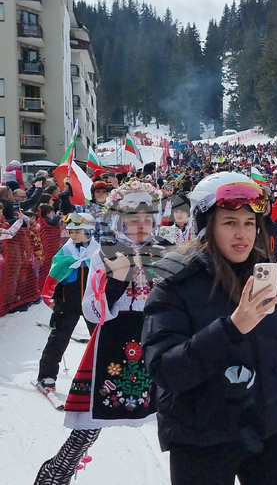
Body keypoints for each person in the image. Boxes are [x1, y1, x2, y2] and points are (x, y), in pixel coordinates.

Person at [143, 173, 277, 485]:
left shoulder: (265, 280)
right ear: (207, 227)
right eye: (230, 223)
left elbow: (274, 359)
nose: (242, 234)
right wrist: (233, 328)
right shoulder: (174, 285)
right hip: (200, 437)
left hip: (264, 431)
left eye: (250, 223)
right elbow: (166, 371)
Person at [35, 181, 165, 485]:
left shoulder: (163, 253)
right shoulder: (106, 253)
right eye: (133, 218)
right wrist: (117, 282)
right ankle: (57, 472)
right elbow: (92, 311)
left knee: (174, 414)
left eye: (147, 218)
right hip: (114, 344)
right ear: (120, 219)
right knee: (92, 421)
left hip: (156, 342)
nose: (141, 225)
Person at [36, 213, 100, 391]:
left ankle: (103, 376)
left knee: (100, 341)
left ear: (88, 230)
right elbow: (55, 276)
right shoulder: (65, 251)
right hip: (67, 304)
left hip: (92, 304)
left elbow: (107, 279)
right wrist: (55, 299)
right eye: (71, 232)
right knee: (57, 340)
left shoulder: (98, 251)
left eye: (77, 231)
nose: (73, 235)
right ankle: (46, 376)